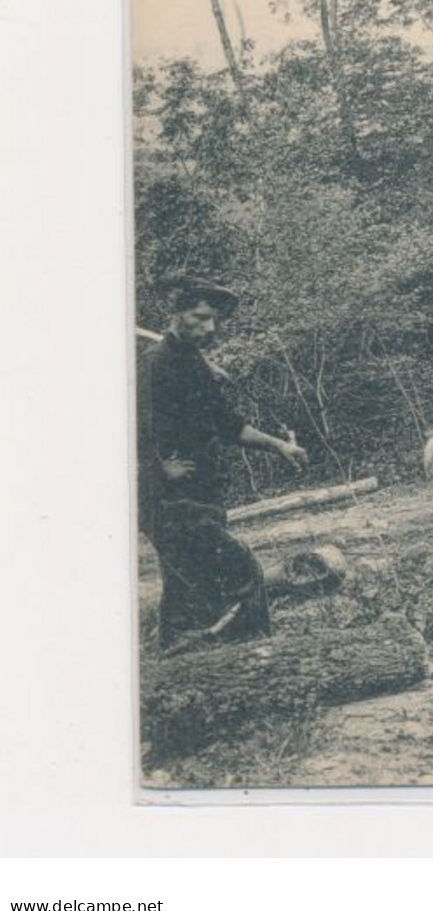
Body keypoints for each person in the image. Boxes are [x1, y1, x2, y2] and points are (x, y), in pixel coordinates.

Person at [137, 277, 308, 649]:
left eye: (214, 320)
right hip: (169, 498)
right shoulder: (154, 365)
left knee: (190, 586)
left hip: (201, 491)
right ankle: (258, 650)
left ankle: (190, 661)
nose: (209, 327)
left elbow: (229, 426)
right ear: (177, 313)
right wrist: (159, 467)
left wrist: (280, 446)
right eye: (200, 317)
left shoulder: (194, 363)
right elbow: (130, 426)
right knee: (240, 568)